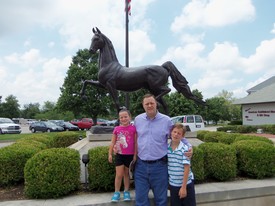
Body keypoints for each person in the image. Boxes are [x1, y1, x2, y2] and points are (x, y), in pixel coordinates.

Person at [134, 93, 173, 206]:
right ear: (143, 105)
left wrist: (188, 148)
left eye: (152, 103)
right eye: (147, 103)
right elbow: (131, 138)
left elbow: (177, 137)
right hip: (140, 167)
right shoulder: (137, 120)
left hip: (160, 166)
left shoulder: (166, 121)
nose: (149, 105)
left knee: (161, 201)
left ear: (156, 104)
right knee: (141, 201)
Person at [108, 108, 137, 202]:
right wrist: (110, 154)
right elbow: (112, 143)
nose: (123, 119)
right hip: (120, 155)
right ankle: (116, 192)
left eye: (125, 117)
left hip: (130, 155)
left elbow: (136, 143)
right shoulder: (116, 129)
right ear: (119, 119)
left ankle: (126, 191)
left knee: (126, 174)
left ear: (130, 117)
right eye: (121, 117)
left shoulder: (133, 129)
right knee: (119, 174)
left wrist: (135, 155)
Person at [168, 123, 196, 206]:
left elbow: (187, 168)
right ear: (171, 132)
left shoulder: (185, 149)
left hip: (186, 185)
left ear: (182, 136)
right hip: (173, 185)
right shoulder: (166, 148)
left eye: (179, 133)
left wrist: (183, 187)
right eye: (174, 132)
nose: (176, 134)